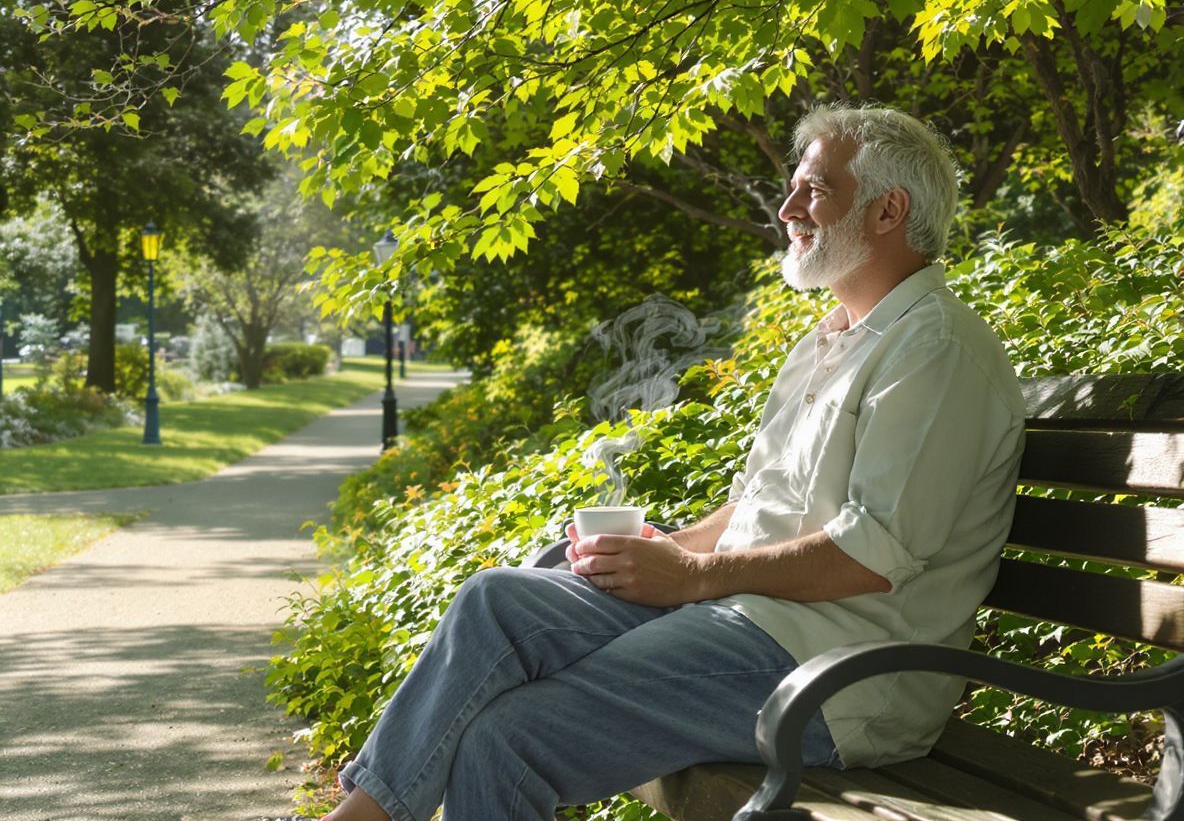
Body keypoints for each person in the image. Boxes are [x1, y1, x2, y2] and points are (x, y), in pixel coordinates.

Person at [320, 105, 1026, 821]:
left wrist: (692, 577)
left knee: (506, 739)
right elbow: (757, 505)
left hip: (838, 674)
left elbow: (875, 554)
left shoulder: (935, 351)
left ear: (887, 210)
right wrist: (660, 553)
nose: (787, 209)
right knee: (496, 600)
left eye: (813, 189)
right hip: (744, 619)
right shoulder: (828, 342)